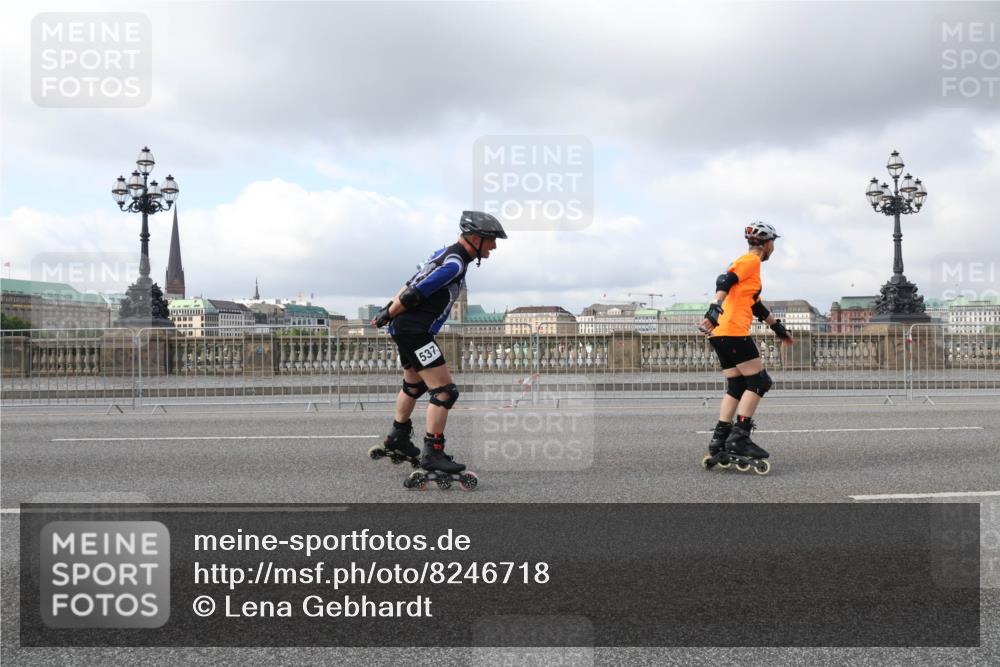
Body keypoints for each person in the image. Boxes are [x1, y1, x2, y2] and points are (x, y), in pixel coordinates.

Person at [370, 211, 507, 475]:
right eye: (491, 240)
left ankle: (398, 437)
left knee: (413, 385)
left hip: (407, 329)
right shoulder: (454, 264)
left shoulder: (442, 253)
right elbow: (414, 293)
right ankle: (433, 453)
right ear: (476, 238)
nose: (494, 246)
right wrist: (388, 313)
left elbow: (408, 283)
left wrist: (387, 310)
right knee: (445, 392)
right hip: (415, 331)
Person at [699, 221, 794, 468]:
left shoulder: (752, 273)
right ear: (766, 243)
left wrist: (778, 328)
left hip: (719, 334)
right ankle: (739, 437)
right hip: (731, 331)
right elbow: (725, 279)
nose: (774, 247)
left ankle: (719, 439)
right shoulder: (750, 260)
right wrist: (714, 307)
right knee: (760, 381)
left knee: (737, 384)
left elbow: (756, 305)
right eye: (773, 242)